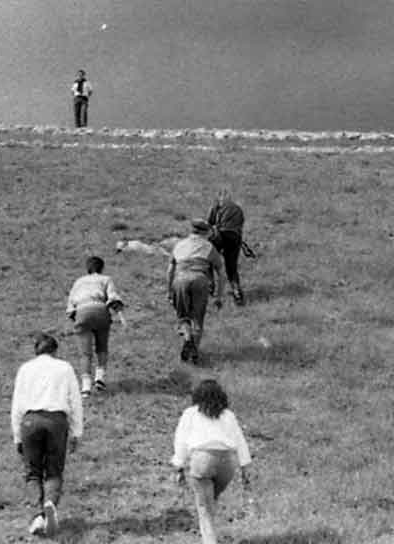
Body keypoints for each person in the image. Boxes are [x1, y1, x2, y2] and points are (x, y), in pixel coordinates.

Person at [11, 333, 84, 537]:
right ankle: (50, 503)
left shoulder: (25, 369)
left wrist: (17, 434)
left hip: (30, 421)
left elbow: (17, 404)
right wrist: (77, 432)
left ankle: (37, 516)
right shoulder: (65, 368)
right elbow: (75, 401)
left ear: (36, 351)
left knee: (32, 472)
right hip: (56, 421)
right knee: (54, 471)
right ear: (55, 350)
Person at [171, 379, 253, 544]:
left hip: (203, 460)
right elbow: (240, 440)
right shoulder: (228, 415)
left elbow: (181, 440)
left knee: (204, 507)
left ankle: (209, 540)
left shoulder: (190, 413)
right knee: (210, 501)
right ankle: (211, 533)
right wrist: (245, 467)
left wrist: (178, 466)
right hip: (227, 463)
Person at [65, 256, 127, 398]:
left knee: (85, 353)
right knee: (102, 347)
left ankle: (85, 387)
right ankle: (100, 378)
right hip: (100, 311)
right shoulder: (106, 279)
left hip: (82, 312)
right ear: (101, 268)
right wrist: (119, 312)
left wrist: (76, 318)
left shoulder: (78, 282)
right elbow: (112, 297)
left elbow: (70, 306)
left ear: (87, 268)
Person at [167, 219, 226, 364]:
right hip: (200, 280)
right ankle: (195, 354)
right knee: (198, 319)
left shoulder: (179, 245)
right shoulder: (208, 247)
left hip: (180, 279)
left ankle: (187, 338)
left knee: (183, 316)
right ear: (205, 233)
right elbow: (221, 273)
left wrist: (169, 291)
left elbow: (169, 271)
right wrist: (218, 296)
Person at [207, 188, 246, 305]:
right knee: (231, 267)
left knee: (209, 260)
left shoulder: (216, 207)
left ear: (219, 197)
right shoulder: (238, 209)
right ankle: (237, 292)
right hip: (235, 238)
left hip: (219, 236)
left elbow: (209, 223)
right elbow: (240, 226)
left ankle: (210, 285)